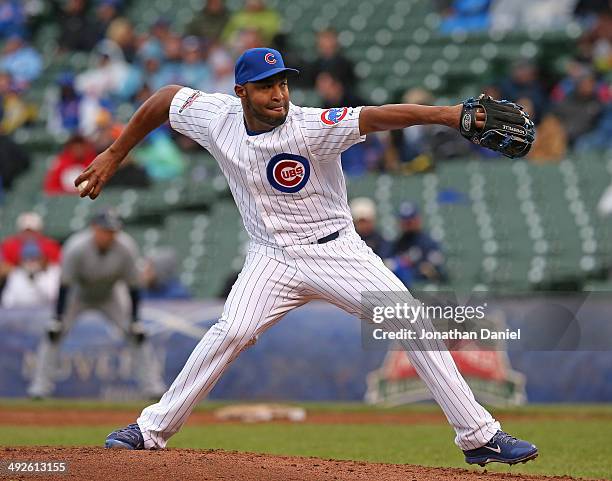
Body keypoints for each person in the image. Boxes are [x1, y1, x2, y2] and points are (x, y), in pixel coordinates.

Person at [75, 47, 538, 466]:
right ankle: (151, 429)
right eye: (265, 86)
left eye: (282, 83)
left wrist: (448, 114)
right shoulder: (216, 117)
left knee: (409, 320)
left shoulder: (313, 126)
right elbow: (166, 97)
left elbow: (378, 117)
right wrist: (115, 153)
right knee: (231, 329)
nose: (278, 94)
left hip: (337, 250)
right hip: (270, 257)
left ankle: (479, 436)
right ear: (240, 92)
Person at [27, 209, 166, 399]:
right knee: (53, 334)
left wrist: (135, 319)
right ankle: (39, 388)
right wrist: (58, 318)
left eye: (113, 231)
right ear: (94, 228)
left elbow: (133, 286)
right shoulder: (76, 247)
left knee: (136, 334)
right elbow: (65, 285)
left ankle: (153, 387)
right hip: (78, 294)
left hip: (110, 294)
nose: (109, 235)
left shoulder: (126, 247)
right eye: (105, 230)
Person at [390, 202, 448, 285]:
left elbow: (438, 272)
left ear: (417, 219)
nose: (407, 224)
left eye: (410, 221)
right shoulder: (397, 244)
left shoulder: (429, 243)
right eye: (404, 220)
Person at [1, 241, 60, 308]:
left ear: (42, 259)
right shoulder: (16, 274)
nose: (30, 263)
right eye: (26, 259)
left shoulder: (52, 272)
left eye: (34, 259)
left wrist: (36, 279)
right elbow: (7, 301)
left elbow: (53, 297)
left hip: (46, 312)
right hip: (21, 313)